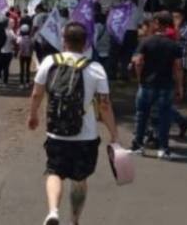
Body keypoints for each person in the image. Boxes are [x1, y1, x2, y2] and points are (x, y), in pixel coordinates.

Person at [28, 22, 119, 225]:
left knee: (54, 172)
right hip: (85, 136)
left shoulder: (49, 62)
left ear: (64, 41)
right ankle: (75, 220)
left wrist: (33, 115)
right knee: (80, 180)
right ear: (85, 43)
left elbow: (37, 93)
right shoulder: (95, 69)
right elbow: (104, 106)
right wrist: (113, 133)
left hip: (56, 132)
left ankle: (53, 211)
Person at [130, 11, 184, 159]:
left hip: (147, 84)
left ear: (157, 23)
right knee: (164, 117)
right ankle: (163, 148)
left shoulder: (146, 41)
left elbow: (138, 62)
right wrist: (180, 86)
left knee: (141, 115)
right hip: (166, 85)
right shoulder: (174, 45)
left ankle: (138, 145)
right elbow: (178, 67)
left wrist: (140, 78)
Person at [0, 19, 17, 85]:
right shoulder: (10, 31)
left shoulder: (0, 31)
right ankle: (5, 81)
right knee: (6, 67)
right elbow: (15, 39)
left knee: (0, 66)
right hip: (9, 51)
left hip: (1, 51)